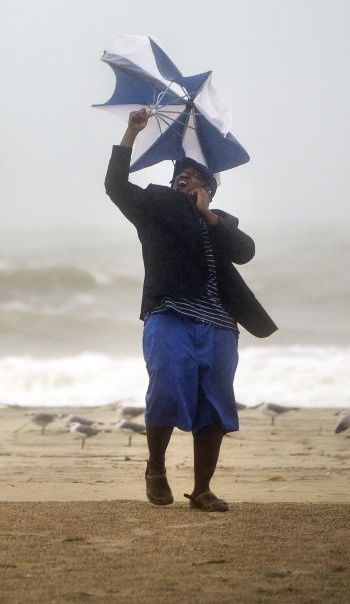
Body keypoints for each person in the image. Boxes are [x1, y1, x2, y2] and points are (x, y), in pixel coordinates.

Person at [106, 108, 277, 512]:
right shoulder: (155, 205)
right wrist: (130, 133)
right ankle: (156, 468)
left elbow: (245, 252)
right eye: (180, 172)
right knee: (165, 388)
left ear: (209, 189)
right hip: (169, 314)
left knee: (215, 405)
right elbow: (115, 185)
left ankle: (201, 489)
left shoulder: (222, 222)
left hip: (220, 325)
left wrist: (208, 217)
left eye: (195, 173)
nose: (184, 175)